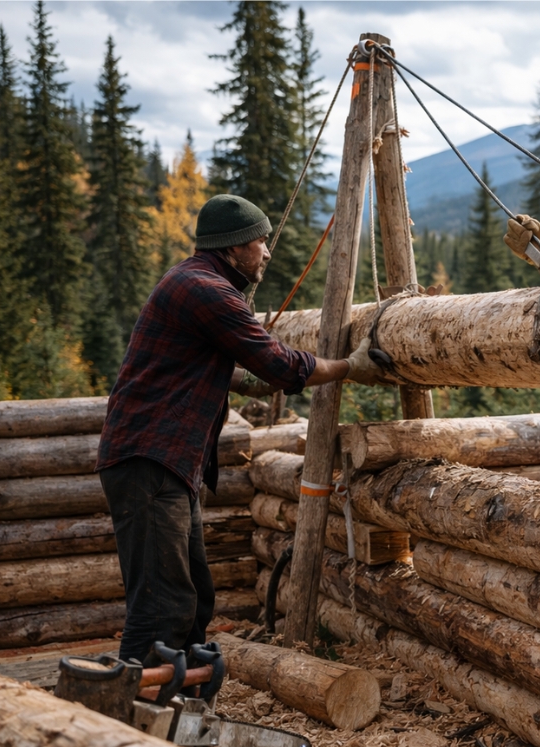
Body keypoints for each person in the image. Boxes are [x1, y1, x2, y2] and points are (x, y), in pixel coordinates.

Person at [97, 194, 378, 667]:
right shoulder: (208, 290)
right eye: (259, 241)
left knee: (192, 598)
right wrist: (350, 365)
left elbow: (200, 361)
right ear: (232, 247)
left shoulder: (195, 282)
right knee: (162, 606)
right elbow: (283, 364)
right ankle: (135, 720)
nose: (266, 251)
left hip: (164, 462)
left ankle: (178, 704)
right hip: (151, 461)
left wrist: (242, 378)